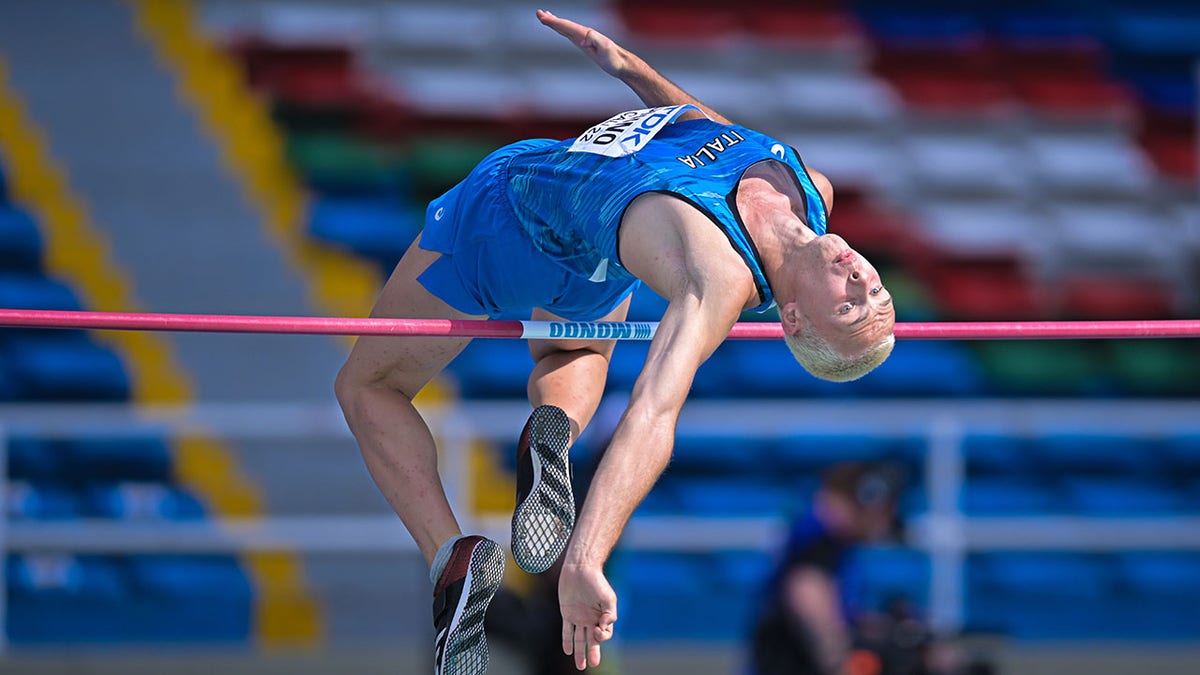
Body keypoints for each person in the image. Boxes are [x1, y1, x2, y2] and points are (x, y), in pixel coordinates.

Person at [334, 9, 896, 673]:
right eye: (876, 291)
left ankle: (448, 553)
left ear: (794, 317)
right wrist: (631, 70)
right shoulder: (811, 190)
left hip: (507, 214)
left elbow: (655, 414)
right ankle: (553, 426)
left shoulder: (716, 279)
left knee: (367, 385)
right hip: (591, 268)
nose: (863, 278)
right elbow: (716, 133)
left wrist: (586, 556)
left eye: (852, 306)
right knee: (571, 352)